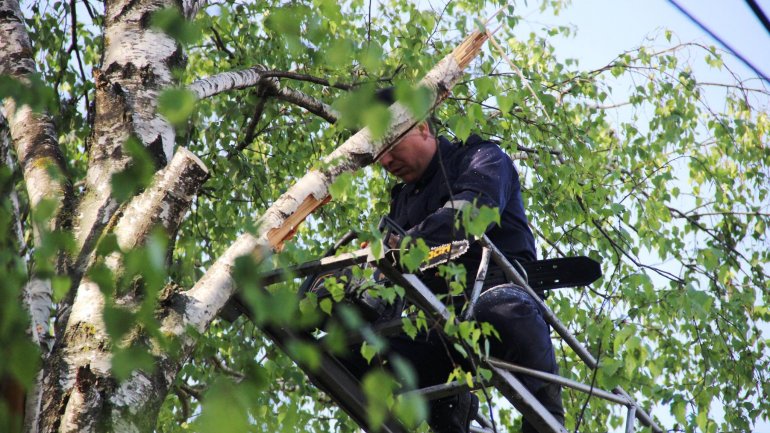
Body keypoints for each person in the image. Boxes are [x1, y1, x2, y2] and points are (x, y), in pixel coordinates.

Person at [368, 89, 564, 433]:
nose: (384, 160)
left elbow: (470, 215)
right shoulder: (402, 204)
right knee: (361, 353)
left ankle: (547, 413)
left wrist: (409, 243)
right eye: (377, 153)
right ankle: (449, 411)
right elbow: (386, 283)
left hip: (501, 294)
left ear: (422, 128)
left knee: (498, 308)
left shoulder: (482, 159)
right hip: (438, 323)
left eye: (389, 145)